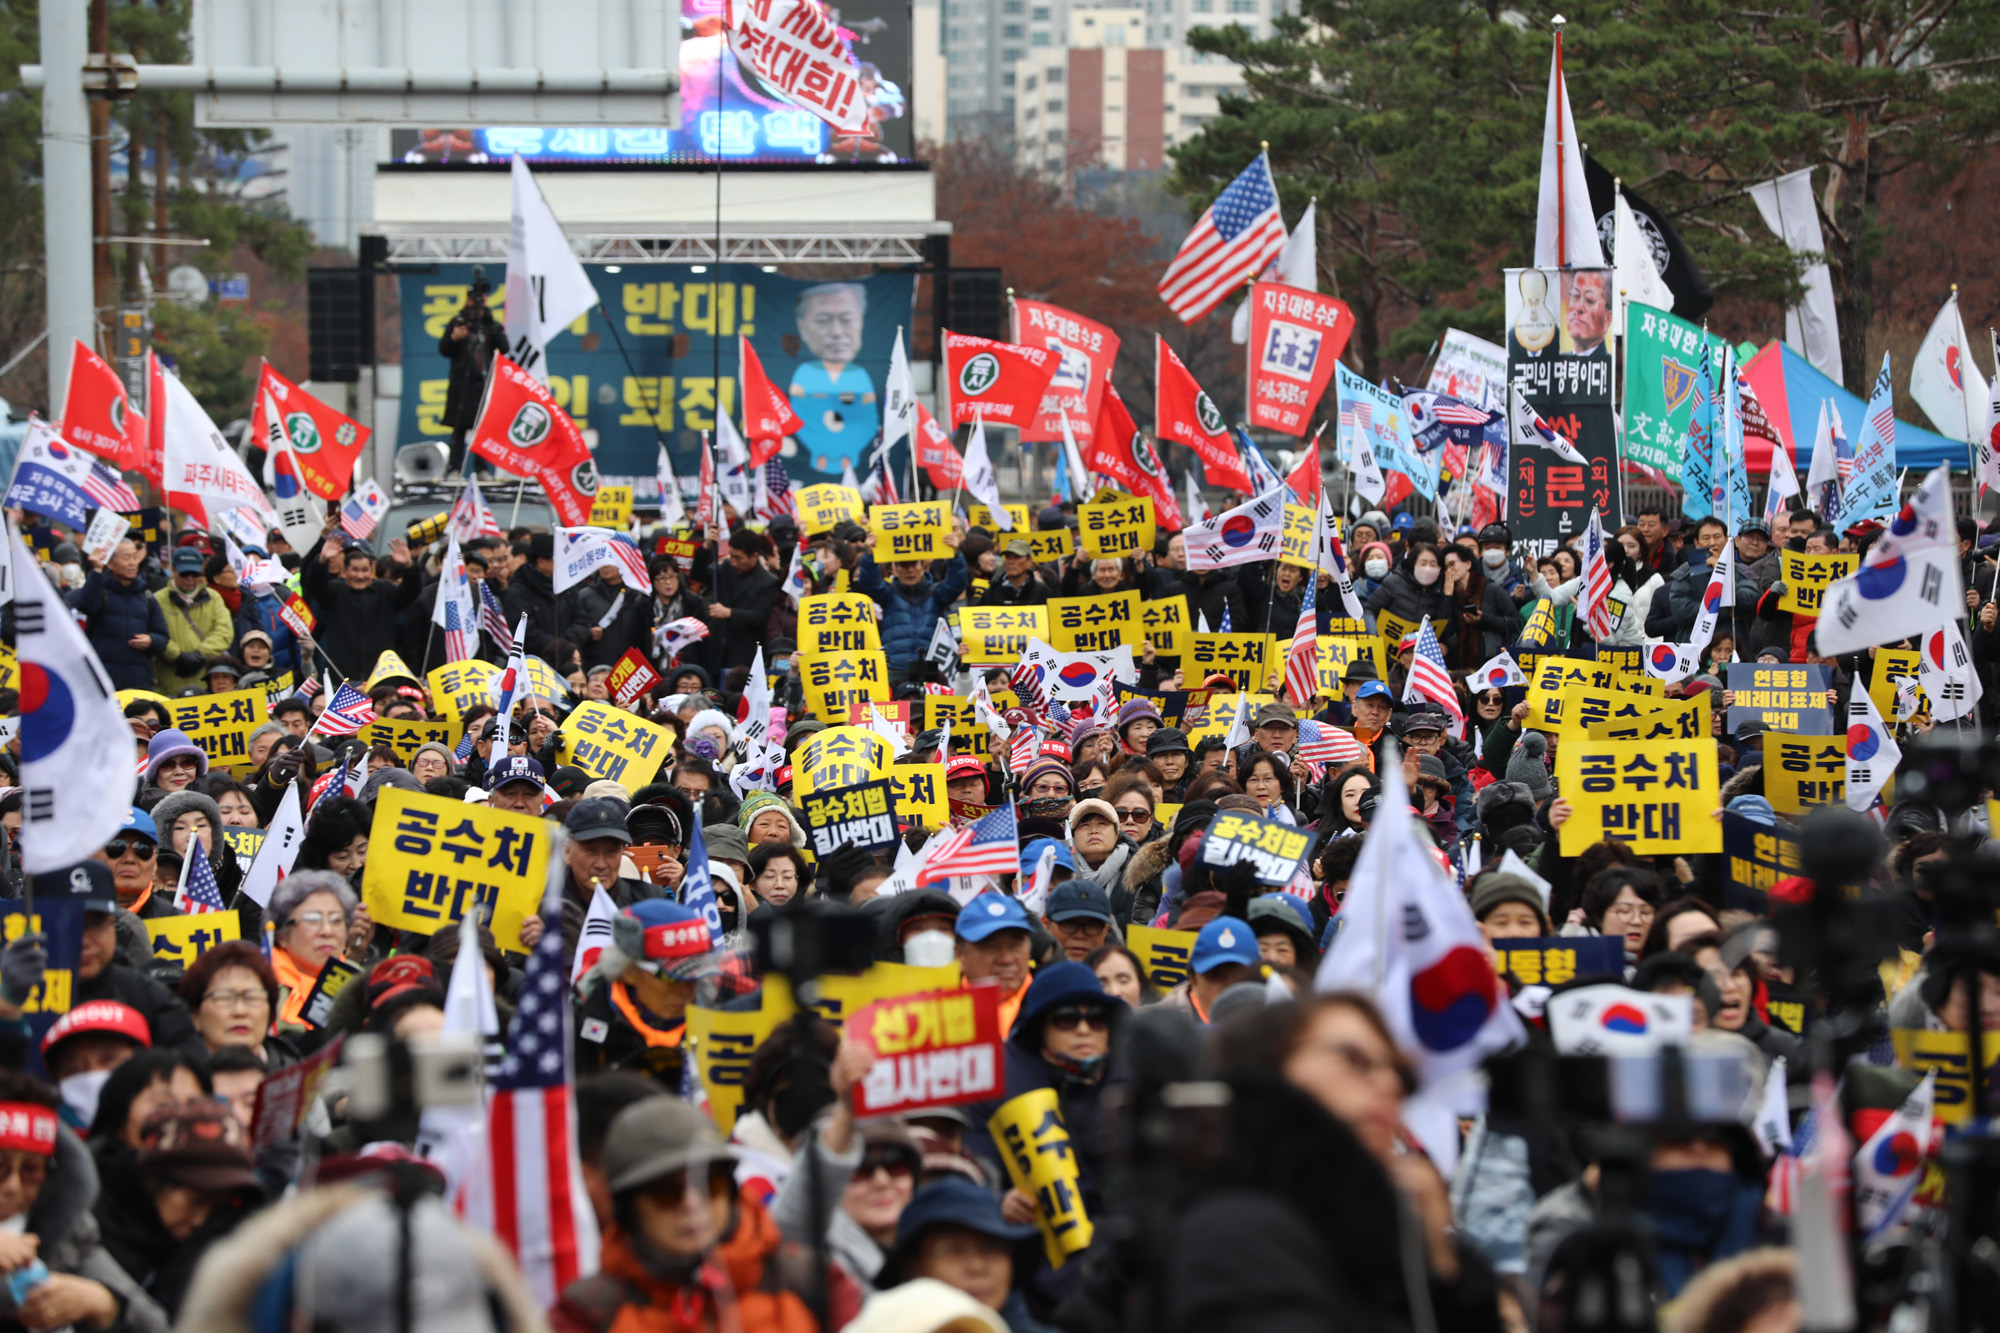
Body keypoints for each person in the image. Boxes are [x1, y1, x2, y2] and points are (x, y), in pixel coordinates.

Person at [551, 1095, 863, 1332]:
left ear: (730, 1191)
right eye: (666, 1192)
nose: (691, 1203)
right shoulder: (587, 1310)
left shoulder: (813, 1278)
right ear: (628, 1209)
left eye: (708, 1184)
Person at [0, 1068, 169, 1333]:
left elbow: (156, 1324)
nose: (13, 1187)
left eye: (31, 1170)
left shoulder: (70, 1234)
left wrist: (104, 1303)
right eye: (0, 1169)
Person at [302, 537, 419, 680]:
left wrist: (408, 566)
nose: (360, 576)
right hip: (342, 675)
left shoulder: (386, 590)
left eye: (365, 570)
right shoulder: (334, 591)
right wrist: (322, 561)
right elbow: (314, 585)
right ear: (345, 571)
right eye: (355, 570)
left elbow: (412, 591)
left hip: (381, 674)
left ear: (372, 570)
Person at [266, 871, 363, 1036]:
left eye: (336, 920)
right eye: (313, 919)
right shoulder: (261, 984)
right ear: (281, 934)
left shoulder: (362, 985)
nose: (327, 931)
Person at [71, 538, 170, 692]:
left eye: (135, 557)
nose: (132, 563)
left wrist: (151, 640)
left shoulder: (147, 597)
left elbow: (163, 638)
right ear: (111, 564)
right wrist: (97, 570)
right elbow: (86, 606)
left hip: (139, 682)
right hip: (104, 681)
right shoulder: (100, 590)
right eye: (126, 558)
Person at [438, 266, 507, 472]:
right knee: (459, 430)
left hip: (482, 384)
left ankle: (481, 469)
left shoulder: (489, 325)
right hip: (462, 385)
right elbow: (444, 349)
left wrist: (490, 323)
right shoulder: (459, 322)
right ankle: (454, 468)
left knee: (483, 429)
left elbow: (505, 348)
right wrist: (454, 338)